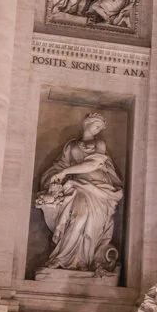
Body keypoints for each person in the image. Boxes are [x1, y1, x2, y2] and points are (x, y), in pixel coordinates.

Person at [33, 113, 123, 275]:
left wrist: (66, 172)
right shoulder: (71, 145)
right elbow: (60, 165)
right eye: (96, 125)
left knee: (91, 224)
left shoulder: (99, 143)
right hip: (77, 188)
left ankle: (84, 262)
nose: (98, 130)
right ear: (87, 123)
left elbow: (94, 164)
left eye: (100, 128)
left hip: (99, 190)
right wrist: (54, 177)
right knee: (79, 217)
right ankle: (63, 258)